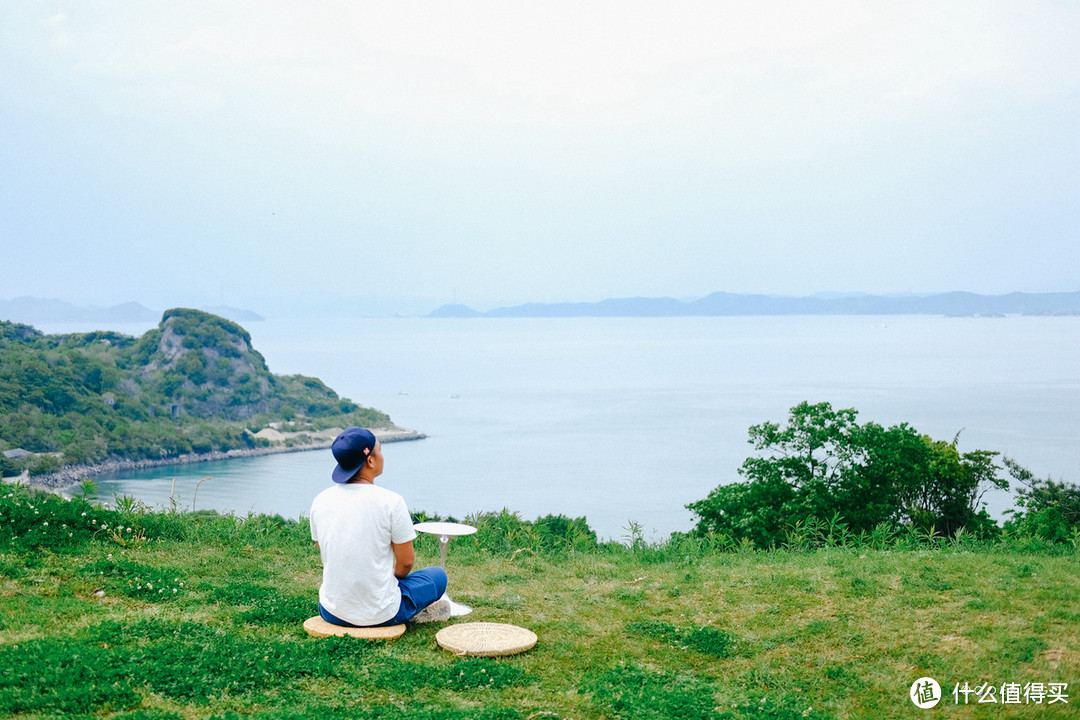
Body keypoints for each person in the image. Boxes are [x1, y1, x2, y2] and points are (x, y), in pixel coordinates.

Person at [310, 426, 449, 627]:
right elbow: (406, 562)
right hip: (382, 613)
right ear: (370, 460)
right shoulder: (391, 502)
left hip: (332, 610)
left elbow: (325, 551)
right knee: (438, 576)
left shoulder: (320, 500)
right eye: (380, 450)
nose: (382, 456)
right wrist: (389, 580)